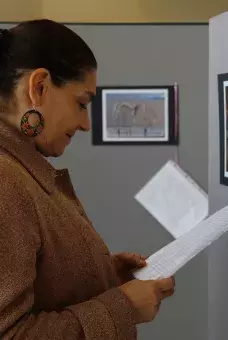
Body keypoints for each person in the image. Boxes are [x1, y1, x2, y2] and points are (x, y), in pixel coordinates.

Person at [0, 19, 175, 339]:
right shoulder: (5, 181)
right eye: (81, 103)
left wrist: (102, 273)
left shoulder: (20, 170)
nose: (84, 123)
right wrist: (122, 307)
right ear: (39, 86)